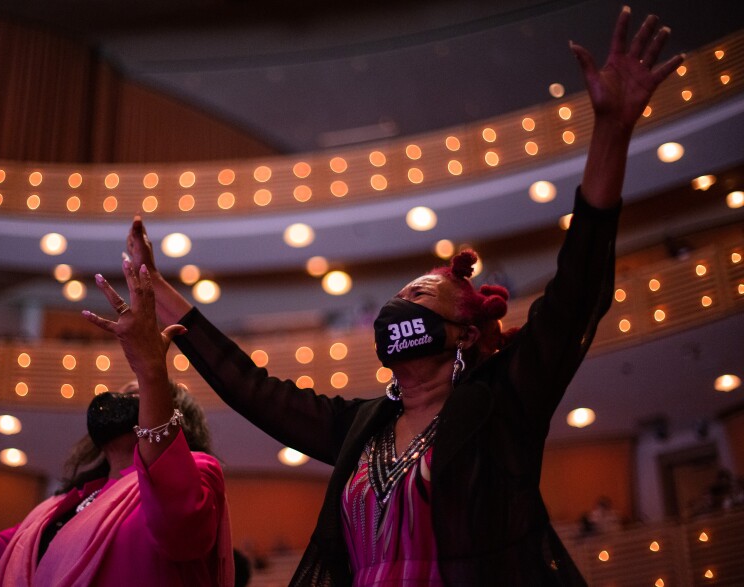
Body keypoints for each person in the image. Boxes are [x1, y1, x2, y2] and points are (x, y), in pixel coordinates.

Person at [123, 7, 682, 585]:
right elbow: (253, 390)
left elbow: (578, 290)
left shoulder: (505, 404)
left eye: (419, 293)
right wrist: (157, 289)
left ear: (465, 332)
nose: (400, 301)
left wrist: (613, 130)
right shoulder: (363, 427)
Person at [0, 260, 234, 586]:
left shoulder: (200, 473)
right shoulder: (57, 509)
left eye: (137, 394)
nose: (122, 399)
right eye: (127, 390)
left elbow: (179, 524)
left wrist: (152, 371)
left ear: (172, 418)